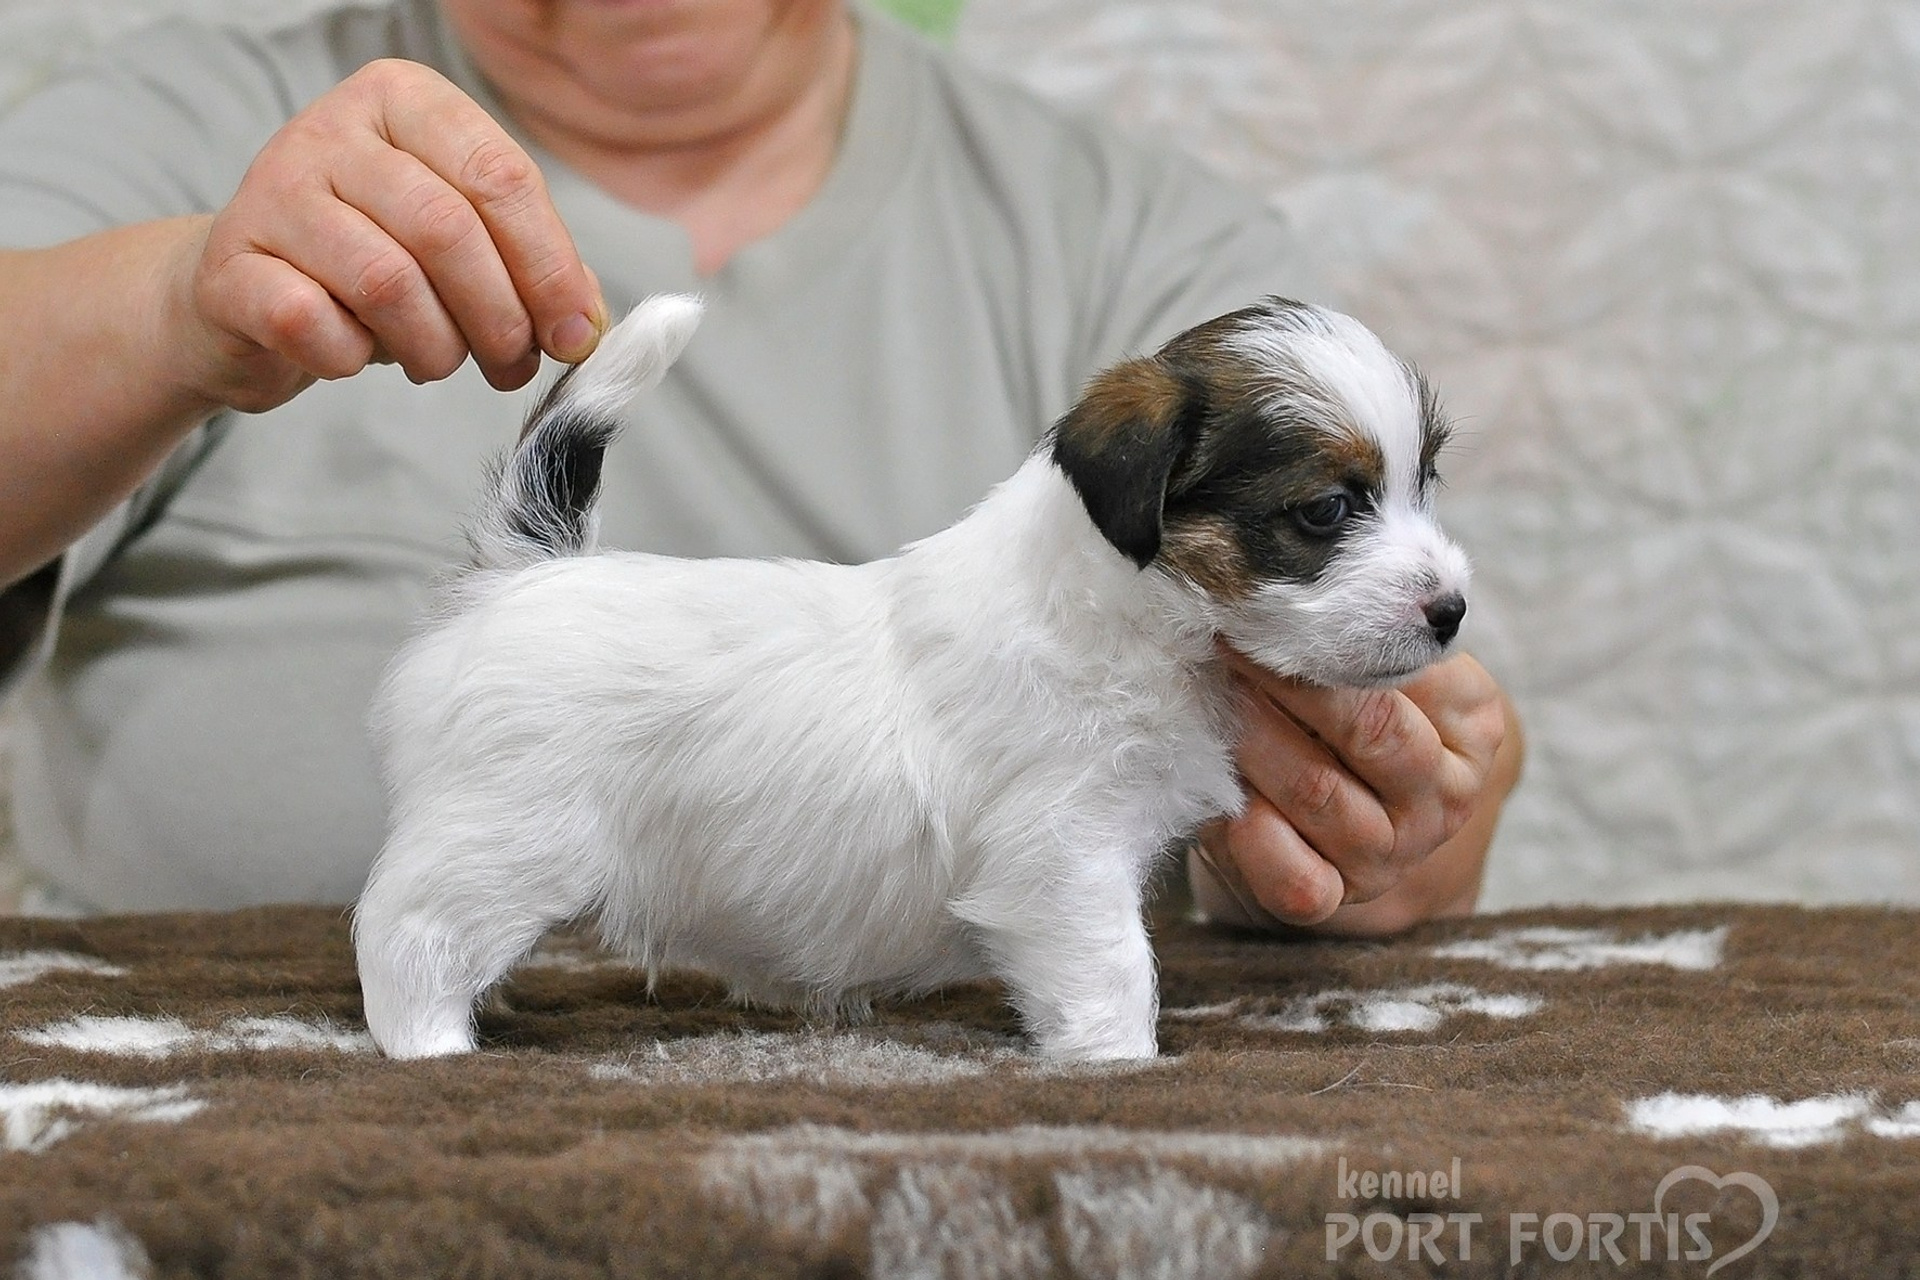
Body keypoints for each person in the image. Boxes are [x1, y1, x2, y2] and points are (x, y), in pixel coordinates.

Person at [0, 0, 1521, 928]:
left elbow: (1383, 717)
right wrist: (171, 303)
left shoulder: (1130, 244)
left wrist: (1372, 828)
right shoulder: (187, 120)